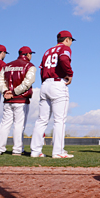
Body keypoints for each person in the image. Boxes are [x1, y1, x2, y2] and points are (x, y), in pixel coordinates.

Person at [31, 30, 75, 158]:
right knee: (59, 120)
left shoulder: (47, 51)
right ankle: (58, 151)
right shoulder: (64, 48)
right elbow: (63, 59)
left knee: (41, 120)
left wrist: (44, 83)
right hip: (57, 83)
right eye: (71, 40)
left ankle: (35, 151)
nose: (71, 43)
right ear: (67, 40)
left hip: (45, 84)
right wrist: (70, 73)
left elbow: (41, 70)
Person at [0, 46, 36, 156]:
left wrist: (5, 92)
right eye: (30, 54)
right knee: (19, 125)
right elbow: (27, 83)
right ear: (27, 55)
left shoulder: (7, 65)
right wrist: (14, 92)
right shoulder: (29, 66)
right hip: (21, 99)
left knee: (4, 124)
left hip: (8, 100)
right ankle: (17, 150)